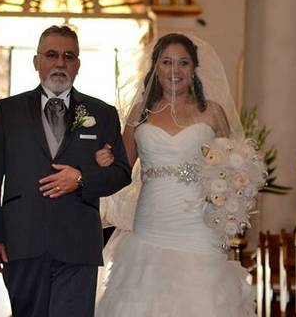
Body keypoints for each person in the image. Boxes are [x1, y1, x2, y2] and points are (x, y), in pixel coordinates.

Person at [0, 25, 132, 317]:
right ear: (37, 62)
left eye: (68, 56)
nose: (60, 62)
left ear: (78, 65)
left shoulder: (102, 113)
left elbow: (122, 172)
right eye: (52, 55)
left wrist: (82, 178)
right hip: (22, 240)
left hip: (78, 242)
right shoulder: (7, 111)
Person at [94, 33, 254, 316]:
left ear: (194, 69)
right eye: (167, 62)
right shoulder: (139, 114)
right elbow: (121, 170)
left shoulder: (212, 113)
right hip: (153, 219)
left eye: (183, 63)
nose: (174, 70)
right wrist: (103, 161)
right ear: (156, 67)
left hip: (197, 222)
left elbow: (231, 168)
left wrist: (232, 195)